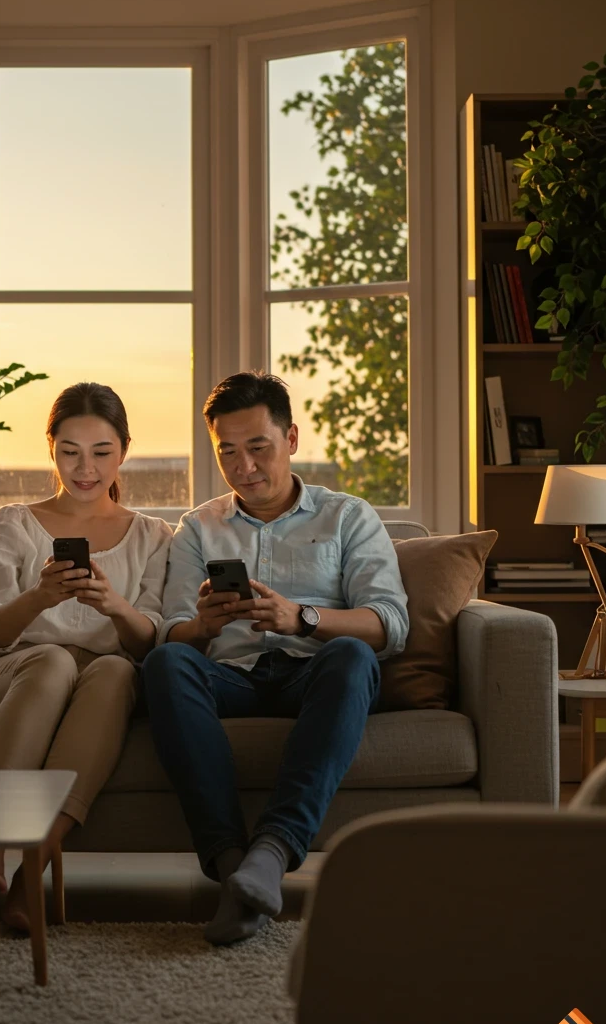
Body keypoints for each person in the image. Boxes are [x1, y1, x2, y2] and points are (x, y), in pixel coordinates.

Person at [140, 371, 409, 946]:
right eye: (227, 452)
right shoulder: (197, 528)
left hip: (314, 675)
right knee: (165, 664)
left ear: (291, 438)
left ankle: (270, 853)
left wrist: (302, 619)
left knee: (352, 656)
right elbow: (170, 633)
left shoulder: (348, 517)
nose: (244, 467)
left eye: (258, 447)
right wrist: (202, 628)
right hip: (230, 675)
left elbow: (389, 623)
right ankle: (234, 865)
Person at [0, 382, 172, 930]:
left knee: (116, 669)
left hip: (103, 676)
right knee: (52, 660)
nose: (86, 468)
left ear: (123, 450)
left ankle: (33, 870)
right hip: (7, 673)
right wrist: (40, 597)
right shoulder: (12, 522)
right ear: (50, 447)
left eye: (102, 452)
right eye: (70, 451)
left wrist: (115, 606)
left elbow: (151, 642)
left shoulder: (153, 536)